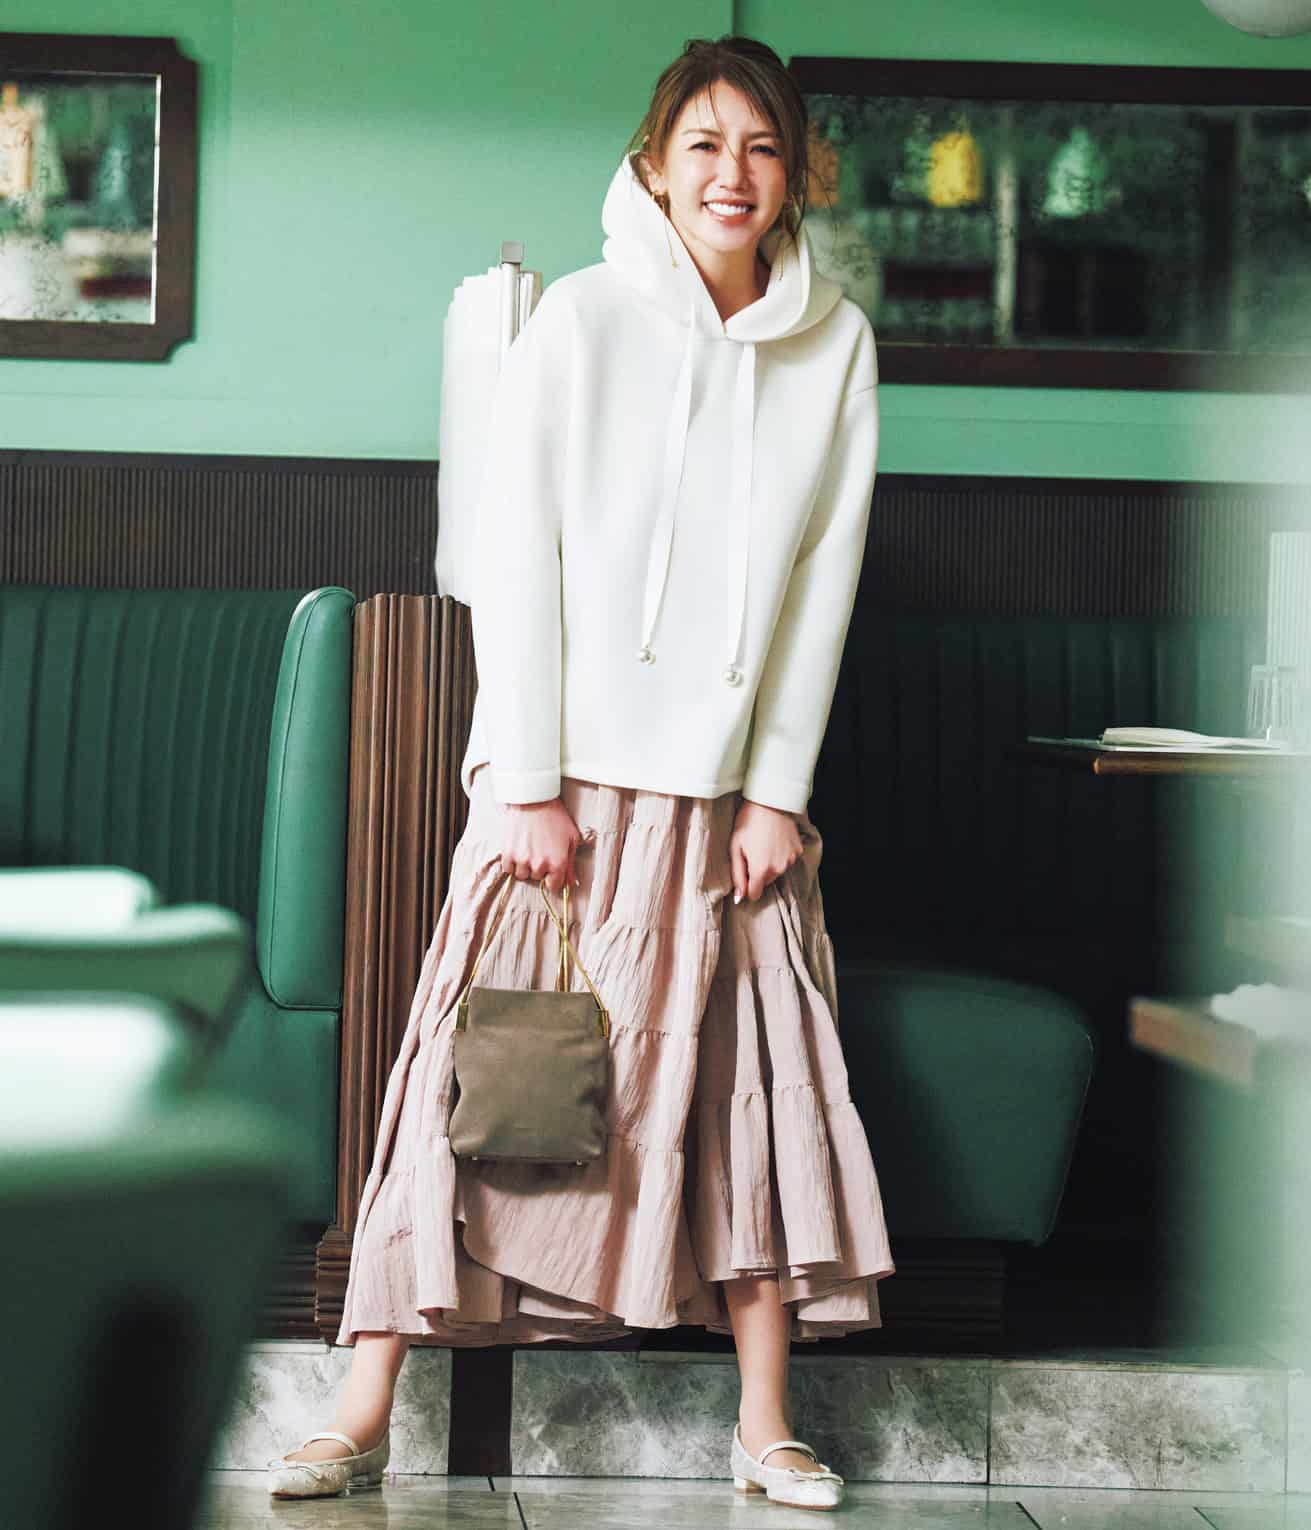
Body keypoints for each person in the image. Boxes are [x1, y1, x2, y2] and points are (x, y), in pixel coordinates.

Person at [268, 34, 894, 1512]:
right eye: (704, 143)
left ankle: (765, 1423)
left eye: (761, 146)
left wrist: (777, 793)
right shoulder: (583, 319)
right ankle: (361, 1411)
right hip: (558, 794)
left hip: (729, 809)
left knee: (752, 1096)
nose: (732, 173)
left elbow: (825, 580)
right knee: (472, 1080)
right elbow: (518, 550)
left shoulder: (839, 346)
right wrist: (528, 776)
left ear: (795, 171)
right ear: (654, 164)